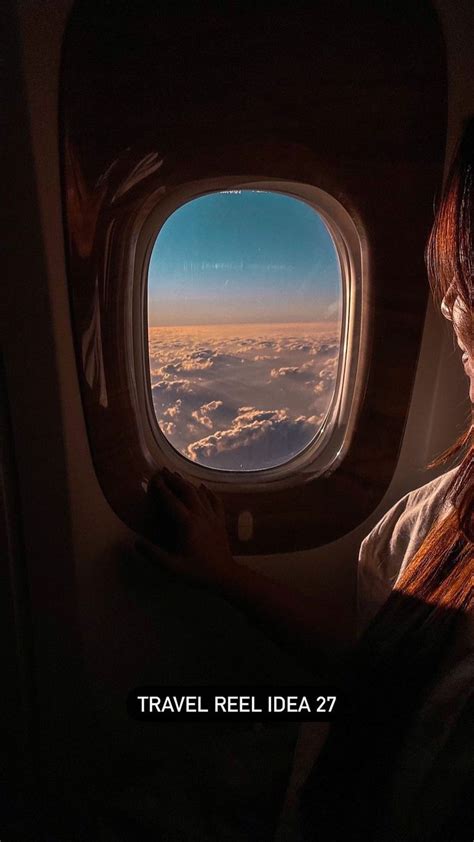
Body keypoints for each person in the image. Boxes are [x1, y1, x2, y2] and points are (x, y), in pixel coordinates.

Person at [136, 118, 473, 841]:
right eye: (452, 279)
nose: (449, 306)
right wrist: (225, 575)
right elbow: (374, 656)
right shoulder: (443, 510)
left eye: (467, 280)